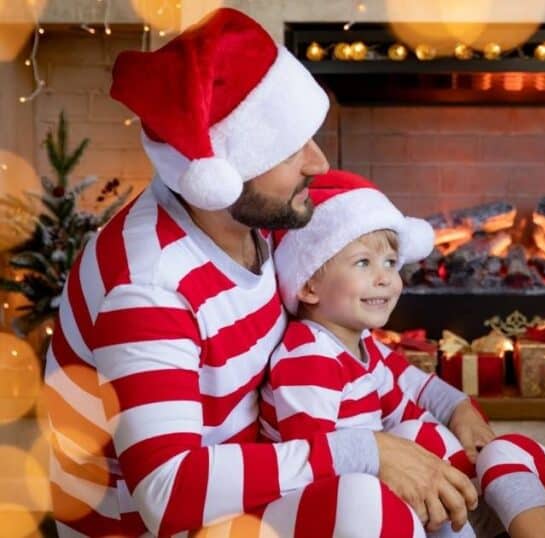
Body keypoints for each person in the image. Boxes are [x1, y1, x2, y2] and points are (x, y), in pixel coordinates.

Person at [42, 9, 472, 537]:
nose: (317, 163)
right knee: (361, 500)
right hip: (151, 525)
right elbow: (166, 490)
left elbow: (338, 337)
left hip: (250, 479)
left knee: (426, 444)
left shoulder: (261, 222)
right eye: (290, 149)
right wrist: (361, 451)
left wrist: (449, 404)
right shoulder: (148, 283)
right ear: (218, 175)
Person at [260, 170, 497, 536]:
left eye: (390, 262)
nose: (385, 277)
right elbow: (311, 458)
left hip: (366, 474)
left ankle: (462, 514)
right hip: (327, 500)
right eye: (363, 263)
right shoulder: (309, 356)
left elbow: (408, 410)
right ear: (309, 285)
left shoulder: (363, 346)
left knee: (423, 433)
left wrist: (446, 443)